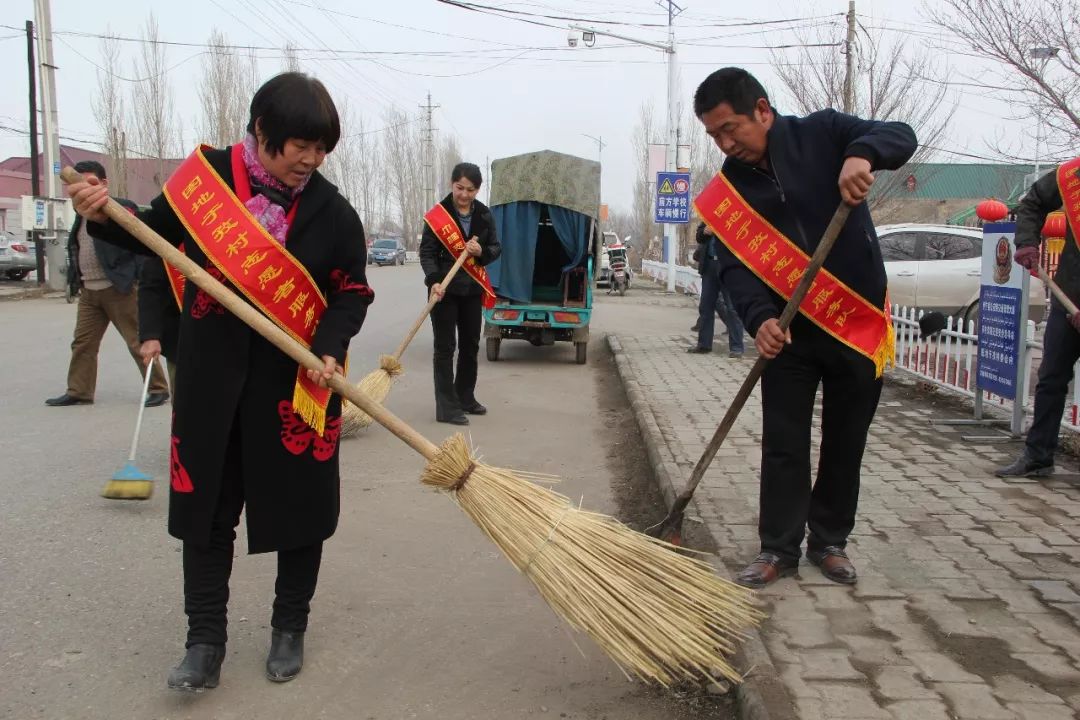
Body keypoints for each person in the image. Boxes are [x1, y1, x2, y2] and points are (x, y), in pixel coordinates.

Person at [65, 72, 374, 690]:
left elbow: (352, 291)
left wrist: (330, 348)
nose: (309, 162)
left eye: (321, 150)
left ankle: (290, 626)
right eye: (299, 147)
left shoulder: (333, 212)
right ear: (263, 132)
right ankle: (203, 639)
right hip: (211, 385)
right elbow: (150, 233)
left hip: (295, 389)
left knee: (301, 511)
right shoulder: (203, 185)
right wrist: (103, 214)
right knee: (205, 516)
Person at [692, 67, 916, 589]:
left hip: (853, 323)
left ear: (763, 112)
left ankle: (830, 540)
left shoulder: (824, 133)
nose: (726, 143)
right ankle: (778, 548)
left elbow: (899, 134)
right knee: (784, 441)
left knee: (846, 438)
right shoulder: (731, 191)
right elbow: (734, 267)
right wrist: (759, 320)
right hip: (787, 333)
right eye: (715, 136)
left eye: (732, 129)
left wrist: (862, 156)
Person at [45, 160, 170, 408]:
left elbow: (142, 247)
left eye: (89, 182)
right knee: (83, 343)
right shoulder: (82, 214)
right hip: (89, 291)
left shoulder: (118, 210)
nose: (83, 188)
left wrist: (133, 276)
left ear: (103, 184)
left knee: (139, 342)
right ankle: (79, 390)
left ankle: (157, 387)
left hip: (119, 288)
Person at [997, 159, 1080, 478]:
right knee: (1050, 380)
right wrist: (1027, 242)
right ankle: (1038, 456)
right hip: (1068, 294)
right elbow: (1032, 202)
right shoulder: (1072, 176)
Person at [420, 162, 502, 426]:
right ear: (452, 185)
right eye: (459, 188)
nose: (464, 194)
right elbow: (427, 253)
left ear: (477, 190)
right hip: (444, 289)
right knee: (445, 348)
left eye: (470, 189)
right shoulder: (438, 216)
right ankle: (446, 407)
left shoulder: (484, 216)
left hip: (471, 290)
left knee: (470, 345)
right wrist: (433, 281)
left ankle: (465, 396)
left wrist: (481, 253)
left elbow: (495, 248)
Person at [688, 221, 745, 357]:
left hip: (729, 267)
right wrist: (704, 232)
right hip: (709, 266)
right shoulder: (710, 215)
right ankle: (704, 345)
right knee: (706, 306)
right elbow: (699, 237)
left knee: (732, 308)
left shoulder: (737, 217)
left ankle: (736, 347)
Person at [138, 256, 182, 393]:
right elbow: (152, 286)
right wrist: (150, 336)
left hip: (236, 339)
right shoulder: (172, 237)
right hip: (182, 337)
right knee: (186, 407)